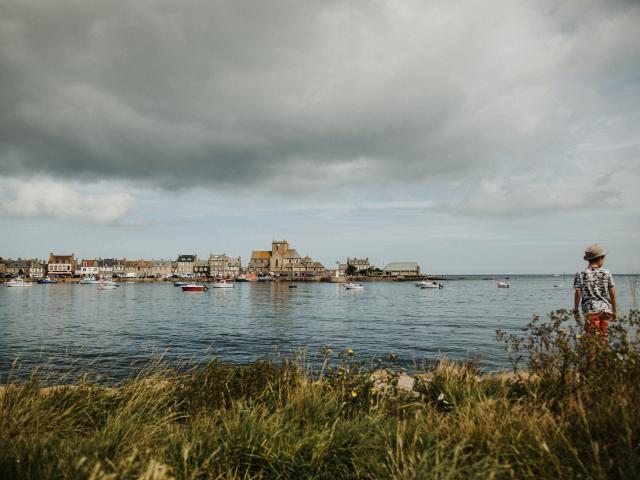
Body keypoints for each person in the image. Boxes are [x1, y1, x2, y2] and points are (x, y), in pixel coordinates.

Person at [573, 244, 617, 337]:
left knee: (591, 339)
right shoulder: (607, 272)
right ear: (600, 259)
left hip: (591, 310)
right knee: (603, 337)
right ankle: (604, 351)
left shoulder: (581, 274)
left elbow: (578, 293)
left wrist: (576, 310)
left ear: (589, 259)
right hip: (605, 310)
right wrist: (614, 310)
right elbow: (612, 293)